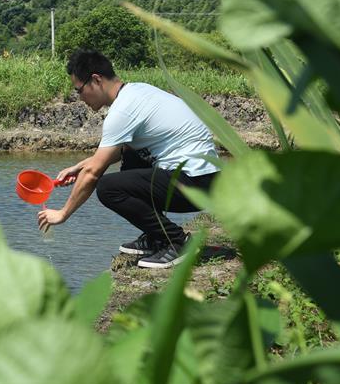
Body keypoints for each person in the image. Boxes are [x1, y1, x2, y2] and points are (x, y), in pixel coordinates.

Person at [38, 49, 221, 269]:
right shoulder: (136, 92)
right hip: (203, 180)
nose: (79, 98)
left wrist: (62, 214)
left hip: (195, 183)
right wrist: (81, 165)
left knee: (107, 187)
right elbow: (109, 155)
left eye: (79, 90)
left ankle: (177, 241)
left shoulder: (122, 111)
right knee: (131, 153)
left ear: (96, 80)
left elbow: (94, 173)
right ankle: (157, 236)